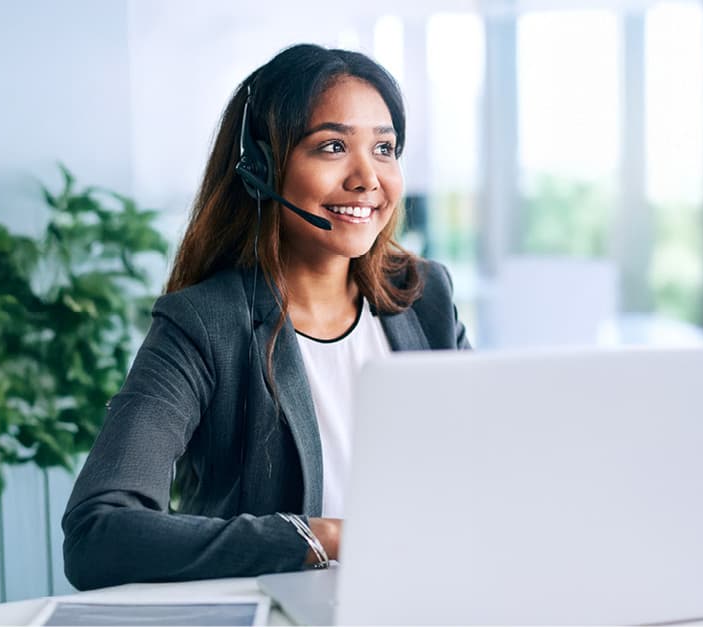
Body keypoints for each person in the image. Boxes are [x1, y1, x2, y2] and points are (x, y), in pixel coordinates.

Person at [61, 43, 470, 591]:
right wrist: (321, 538)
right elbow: (98, 534)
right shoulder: (202, 324)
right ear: (261, 168)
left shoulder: (425, 296)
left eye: (384, 147)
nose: (367, 178)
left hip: (433, 596)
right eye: (332, 146)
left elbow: (481, 466)